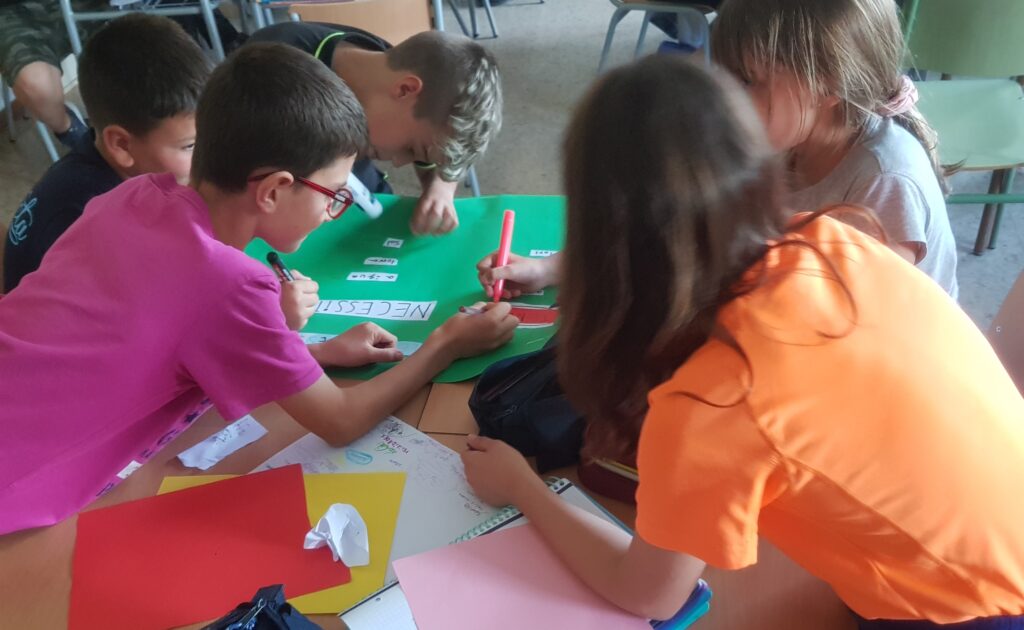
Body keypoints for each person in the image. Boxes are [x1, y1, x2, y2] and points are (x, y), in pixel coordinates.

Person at [465, 55, 1024, 628]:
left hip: (975, 610)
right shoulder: (829, 239)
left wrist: (523, 488)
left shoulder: (712, 398)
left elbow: (649, 595)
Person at [0, 43, 518, 535]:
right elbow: (339, 421)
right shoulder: (231, 282)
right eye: (334, 194)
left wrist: (315, 352)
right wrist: (445, 344)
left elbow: (166, 344)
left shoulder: (133, 195)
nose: (332, 211)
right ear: (273, 190)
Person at [711, 0, 958, 298]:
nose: (725, 97)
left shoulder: (884, 182)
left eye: (747, 80)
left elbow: (870, 311)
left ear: (828, 85)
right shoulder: (791, 136)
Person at [3, 14, 209, 293]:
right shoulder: (99, 221)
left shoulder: (97, 163)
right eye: (190, 146)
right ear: (121, 145)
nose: (207, 153)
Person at [248, 22, 502, 236]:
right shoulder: (273, 73)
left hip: (355, 186)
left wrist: (440, 187)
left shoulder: (396, 69)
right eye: (410, 149)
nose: (400, 162)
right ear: (405, 90)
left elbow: (436, 133)